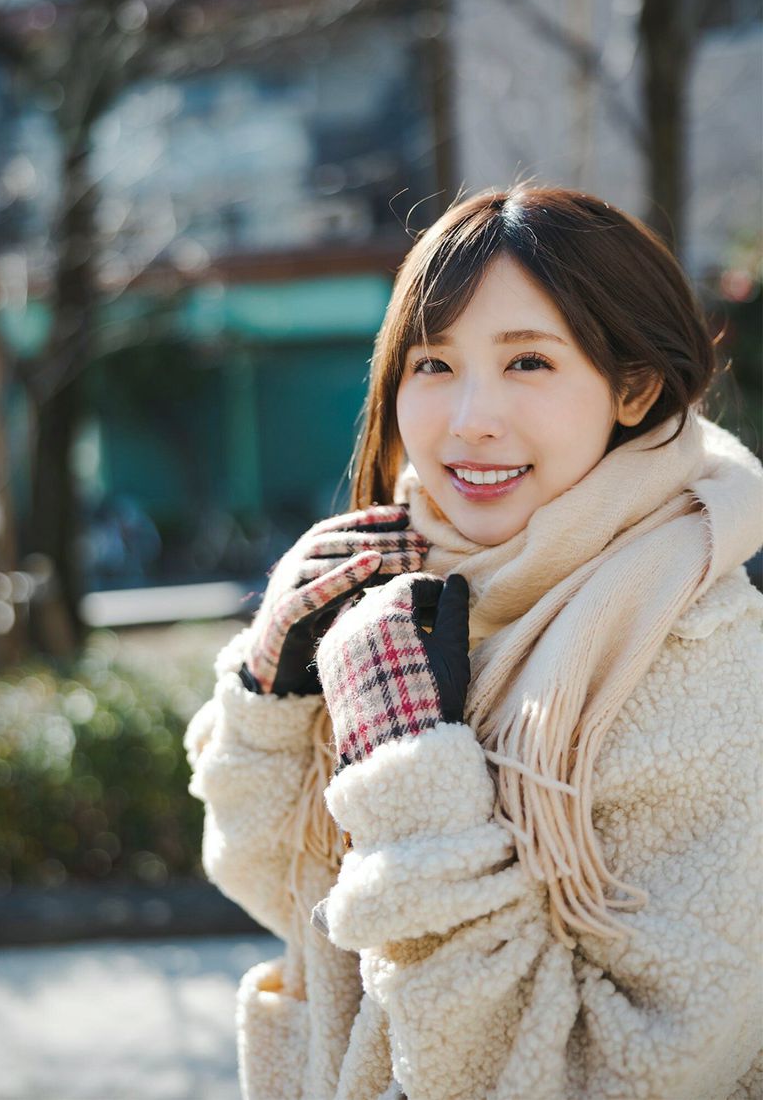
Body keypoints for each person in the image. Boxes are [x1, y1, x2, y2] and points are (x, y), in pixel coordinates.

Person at [185, 185, 763, 1100]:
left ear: (634, 387)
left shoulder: (694, 653)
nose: (469, 419)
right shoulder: (394, 594)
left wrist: (410, 764)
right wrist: (270, 691)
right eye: (433, 363)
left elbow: (626, 1068)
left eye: (529, 361)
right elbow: (278, 887)